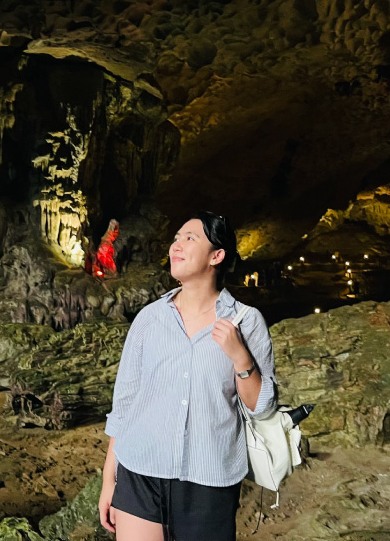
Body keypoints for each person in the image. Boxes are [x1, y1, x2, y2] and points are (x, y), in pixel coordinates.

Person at [98, 212, 277, 541]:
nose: (175, 246)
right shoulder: (149, 319)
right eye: (176, 238)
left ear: (216, 256)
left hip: (208, 481)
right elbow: (124, 404)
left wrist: (240, 356)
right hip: (140, 474)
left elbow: (262, 406)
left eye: (189, 238)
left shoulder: (247, 322)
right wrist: (110, 478)